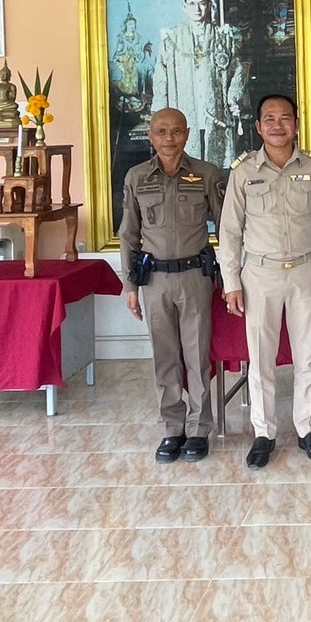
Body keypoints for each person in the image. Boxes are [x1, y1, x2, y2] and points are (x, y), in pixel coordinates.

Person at [217, 94, 311, 470]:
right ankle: (263, 433)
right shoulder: (244, 171)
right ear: (258, 126)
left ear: (296, 124)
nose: (277, 125)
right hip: (259, 275)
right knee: (261, 359)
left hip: (306, 270)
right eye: (269, 119)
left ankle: (308, 429)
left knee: (308, 356)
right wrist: (231, 281)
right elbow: (230, 231)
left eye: (285, 118)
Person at [118, 107, 226, 463]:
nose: (169, 138)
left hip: (196, 277)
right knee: (165, 357)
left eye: (176, 131)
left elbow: (226, 227)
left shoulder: (206, 174)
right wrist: (130, 286)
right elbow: (129, 234)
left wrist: (230, 277)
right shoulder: (137, 177)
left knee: (197, 357)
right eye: (161, 131)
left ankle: (199, 428)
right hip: (155, 280)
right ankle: (172, 427)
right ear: (150, 135)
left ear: (187, 134)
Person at [152, 0, 247, 168]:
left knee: (215, 166)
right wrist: (161, 112)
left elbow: (237, 70)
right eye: (192, 4)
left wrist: (232, 98)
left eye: (202, 3)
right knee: (185, 165)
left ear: (209, 6)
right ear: (184, 7)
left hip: (215, 112)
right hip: (184, 108)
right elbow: (160, 76)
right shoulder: (171, 39)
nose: (197, 8)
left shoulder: (223, 37)